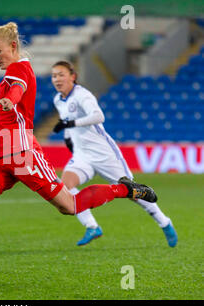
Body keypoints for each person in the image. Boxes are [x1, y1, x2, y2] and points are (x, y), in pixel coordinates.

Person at [0, 22, 159, 271]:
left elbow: (18, 89)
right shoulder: (11, 71)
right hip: (0, 159)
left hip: (23, 157)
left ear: (12, 46)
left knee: (70, 205)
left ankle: (126, 189)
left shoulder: (19, 69)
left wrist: (10, 99)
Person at [50, 60, 177, 247]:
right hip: (82, 156)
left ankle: (164, 222)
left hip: (105, 155)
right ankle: (92, 226)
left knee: (133, 193)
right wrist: (68, 135)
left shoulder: (82, 95)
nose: (57, 79)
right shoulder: (57, 100)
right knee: (66, 186)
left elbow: (98, 116)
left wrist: (71, 124)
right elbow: (68, 121)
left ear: (72, 76)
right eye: (54, 76)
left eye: (61, 74)